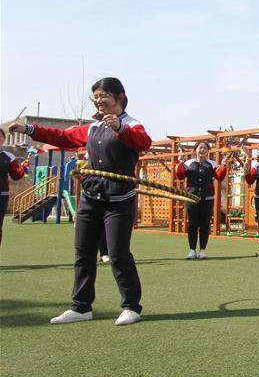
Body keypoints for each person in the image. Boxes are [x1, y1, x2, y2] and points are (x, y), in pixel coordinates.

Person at [8, 77, 152, 325]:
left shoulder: (132, 124)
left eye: (104, 96)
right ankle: (81, 306)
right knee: (83, 253)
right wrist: (29, 129)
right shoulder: (93, 127)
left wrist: (119, 128)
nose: (99, 101)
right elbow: (62, 137)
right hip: (91, 197)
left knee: (118, 254)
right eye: (95, 97)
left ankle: (131, 306)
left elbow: (143, 143)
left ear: (120, 97)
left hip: (119, 200)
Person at [176, 142, 231, 259]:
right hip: (191, 198)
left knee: (205, 225)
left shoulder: (212, 164)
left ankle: (202, 250)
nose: (202, 150)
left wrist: (223, 164)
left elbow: (219, 177)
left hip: (207, 198)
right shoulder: (188, 163)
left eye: (205, 148)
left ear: (208, 151)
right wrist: (179, 161)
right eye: (200, 148)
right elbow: (180, 176)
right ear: (196, 150)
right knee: (192, 224)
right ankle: (192, 250)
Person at [0, 128, 30, 245]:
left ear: (3, 139)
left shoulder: (9, 157)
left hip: (2, 196)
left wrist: (24, 167)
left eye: (0, 136)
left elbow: (16, 175)